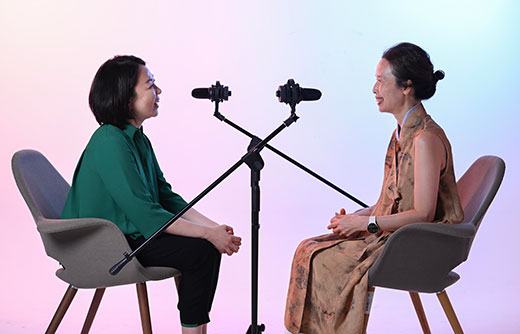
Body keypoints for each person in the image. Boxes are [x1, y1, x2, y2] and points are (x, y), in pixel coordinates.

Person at [284, 42, 464, 334]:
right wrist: (354, 219)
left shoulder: (425, 138)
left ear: (406, 86)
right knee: (308, 249)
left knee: (327, 260)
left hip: (422, 243)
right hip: (399, 234)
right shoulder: (401, 134)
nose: (374, 89)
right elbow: (391, 201)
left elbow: (424, 213)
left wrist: (366, 223)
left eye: (381, 80)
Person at [61, 55, 242, 334]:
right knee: (201, 251)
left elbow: (165, 197)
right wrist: (207, 235)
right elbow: (146, 215)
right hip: (102, 245)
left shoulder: (138, 139)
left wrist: (212, 227)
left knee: (204, 248)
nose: (158, 93)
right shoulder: (109, 140)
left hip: (128, 237)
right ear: (125, 95)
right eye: (151, 85)